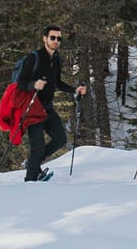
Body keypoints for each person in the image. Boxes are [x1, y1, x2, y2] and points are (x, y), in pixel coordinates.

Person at [13, 25, 87, 182]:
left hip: (47, 109)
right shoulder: (35, 57)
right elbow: (20, 83)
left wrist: (75, 90)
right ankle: (31, 181)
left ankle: (33, 163)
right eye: (52, 38)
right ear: (45, 38)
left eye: (59, 38)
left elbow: (57, 82)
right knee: (38, 148)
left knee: (60, 139)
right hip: (32, 109)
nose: (56, 41)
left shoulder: (57, 59)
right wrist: (34, 84)